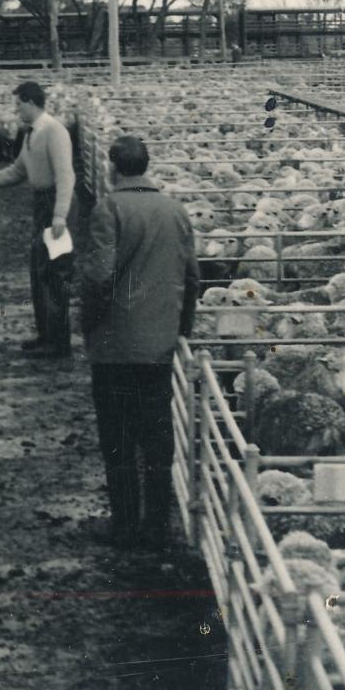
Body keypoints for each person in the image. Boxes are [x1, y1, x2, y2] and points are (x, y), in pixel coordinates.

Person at [77, 135, 200, 550]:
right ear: (146, 166)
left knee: (118, 436)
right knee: (157, 437)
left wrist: (89, 327)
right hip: (159, 345)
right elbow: (192, 275)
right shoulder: (175, 210)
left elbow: (98, 275)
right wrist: (181, 328)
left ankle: (125, 524)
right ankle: (158, 526)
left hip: (115, 346)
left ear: (113, 168)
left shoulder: (109, 208)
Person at [0, 80, 76, 358]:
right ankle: (46, 334)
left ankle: (58, 342)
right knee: (39, 271)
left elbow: (65, 175)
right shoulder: (32, 134)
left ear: (32, 103)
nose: (16, 110)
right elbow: (17, 171)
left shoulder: (54, 131)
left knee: (53, 272)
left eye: (19, 104)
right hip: (41, 205)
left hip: (51, 204)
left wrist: (60, 214)